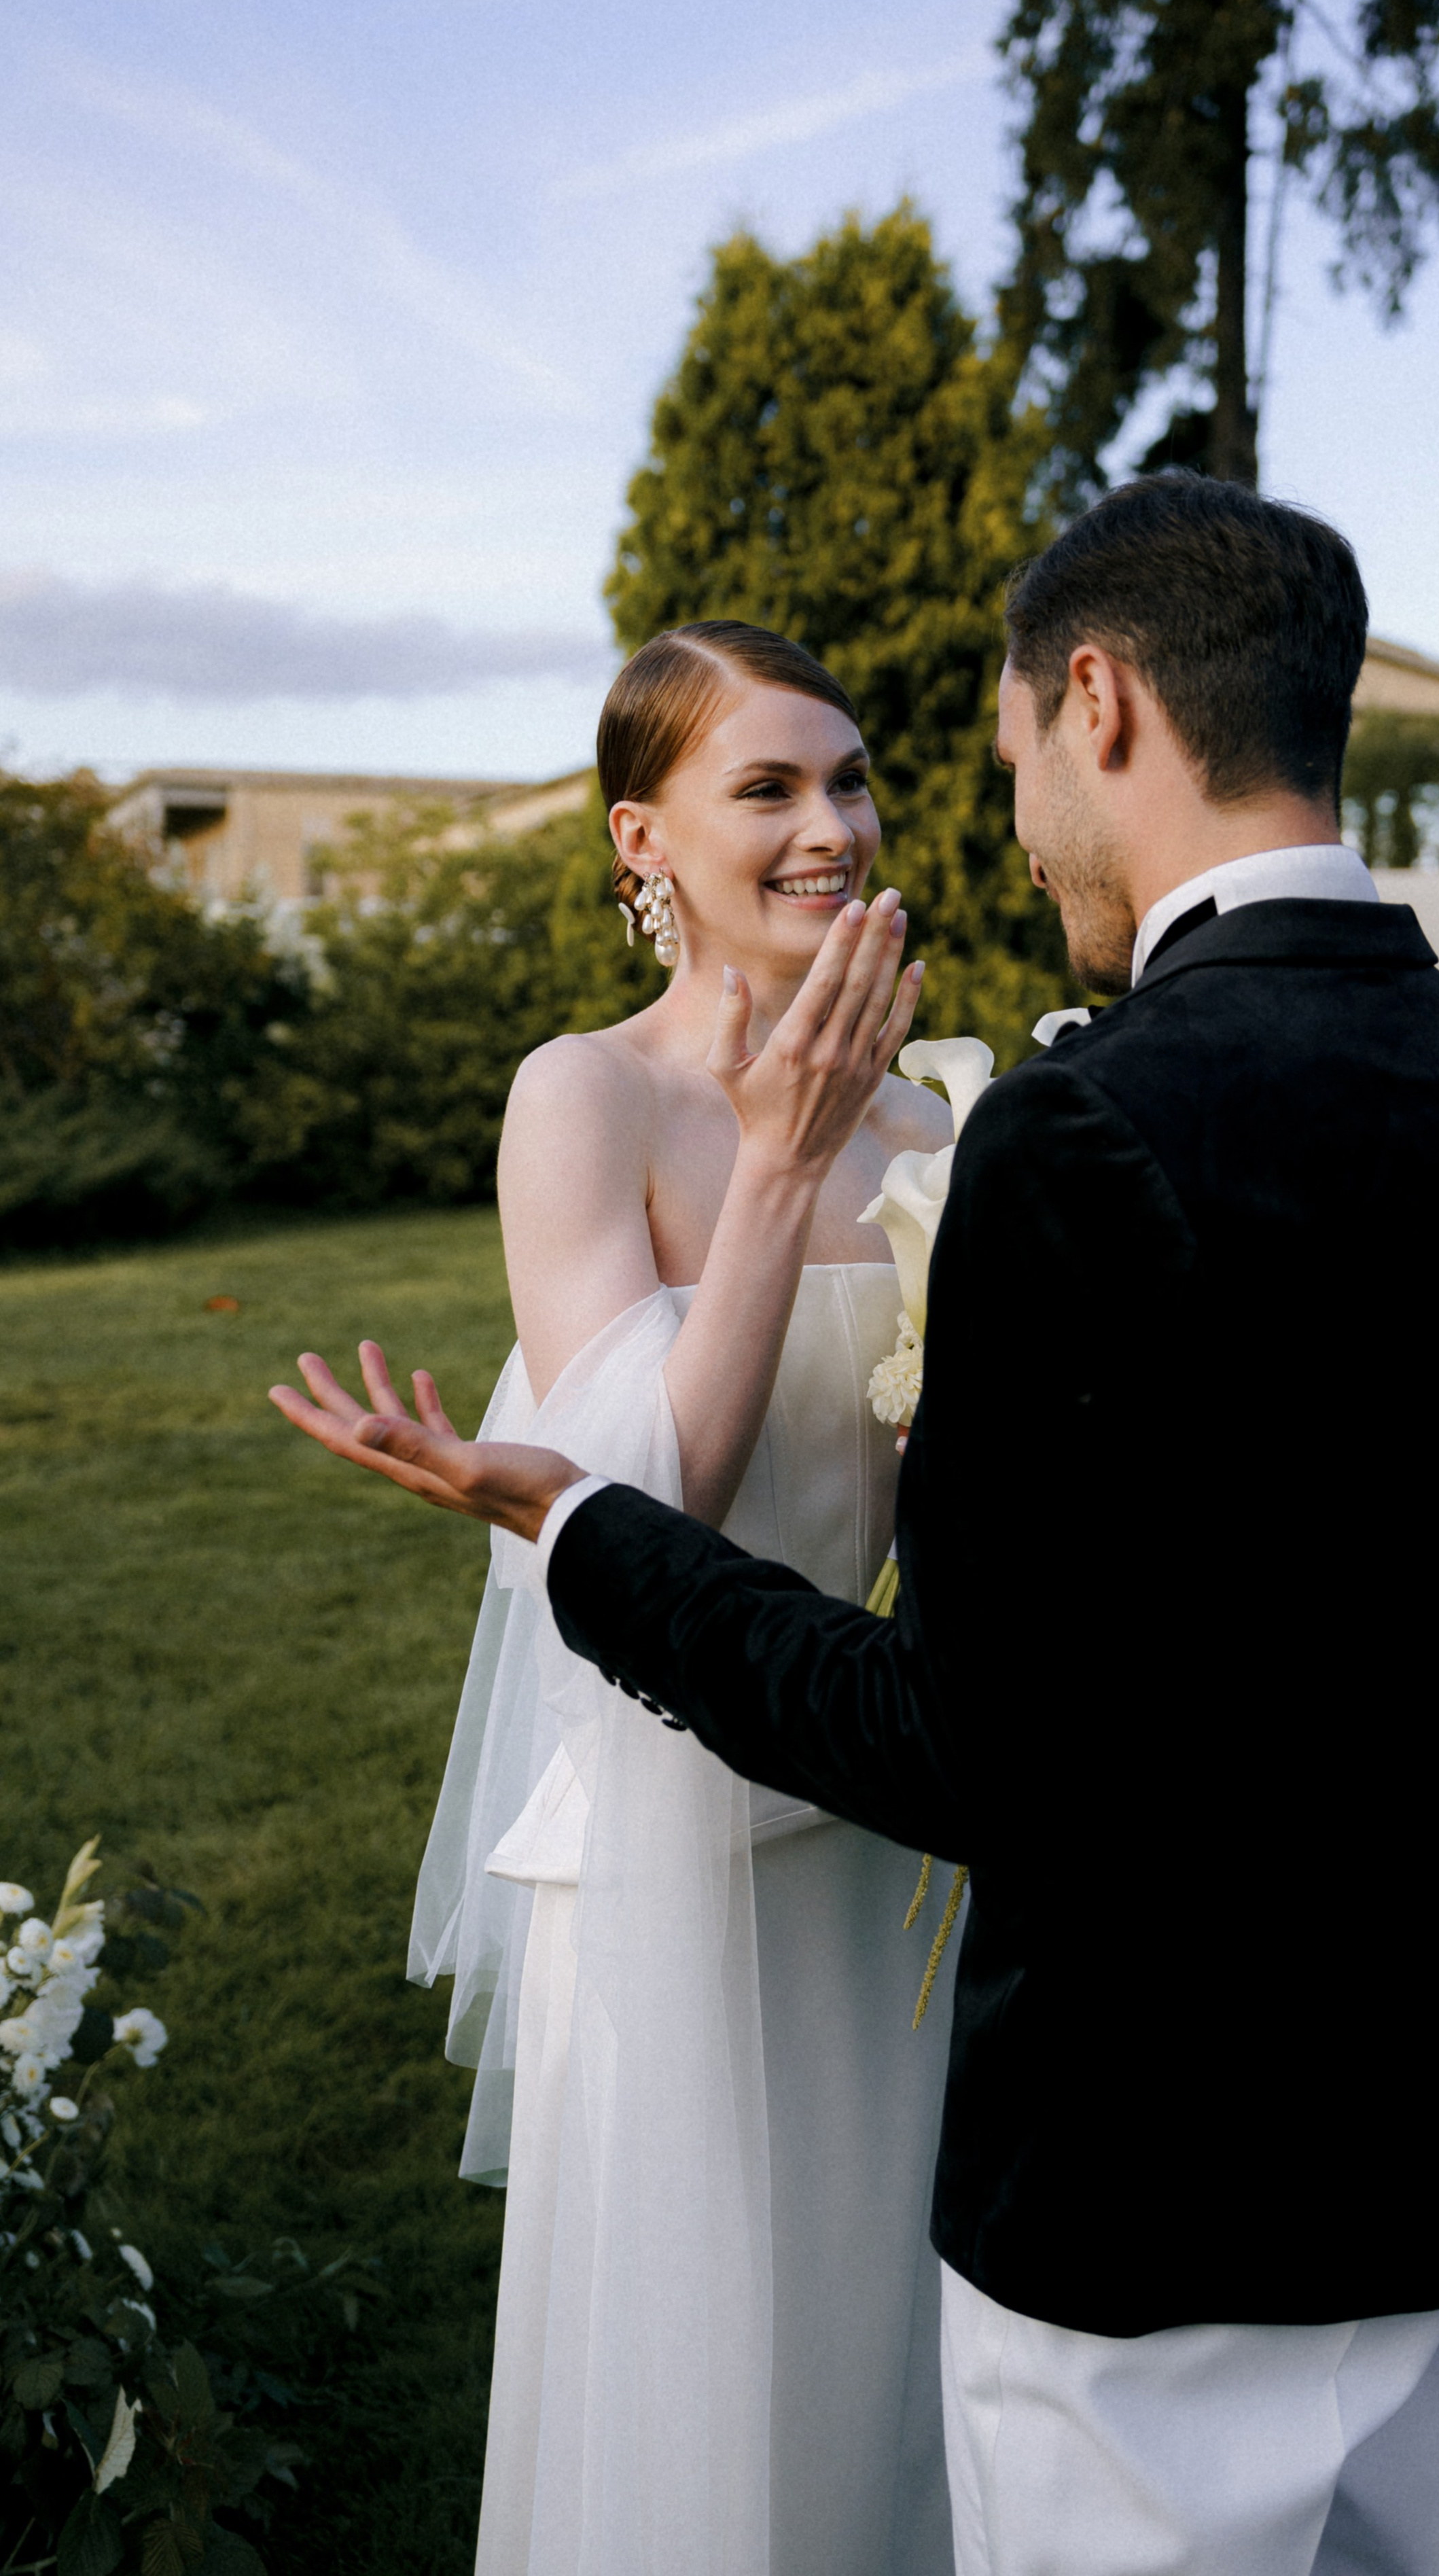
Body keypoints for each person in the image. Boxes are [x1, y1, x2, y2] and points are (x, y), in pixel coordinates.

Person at [273, 477, 1439, 2576]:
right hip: (1436, 2139)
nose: (929, 823)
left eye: (940, 765)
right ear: (642, 839)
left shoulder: (1047, 1122)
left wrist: (567, 1517)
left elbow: (976, 1723)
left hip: (1117, 2126)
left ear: (1097, 703)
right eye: (772, 784)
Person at [379, 620, 956, 2576]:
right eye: (767, 786)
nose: (832, 826)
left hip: (896, 1831)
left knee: (885, 2366)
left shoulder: (933, 1128)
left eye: (849, 779)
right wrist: (780, 1166)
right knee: (700, 2398)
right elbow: (654, 1510)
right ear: (642, 838)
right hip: (672, 1835)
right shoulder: (586, 1099)